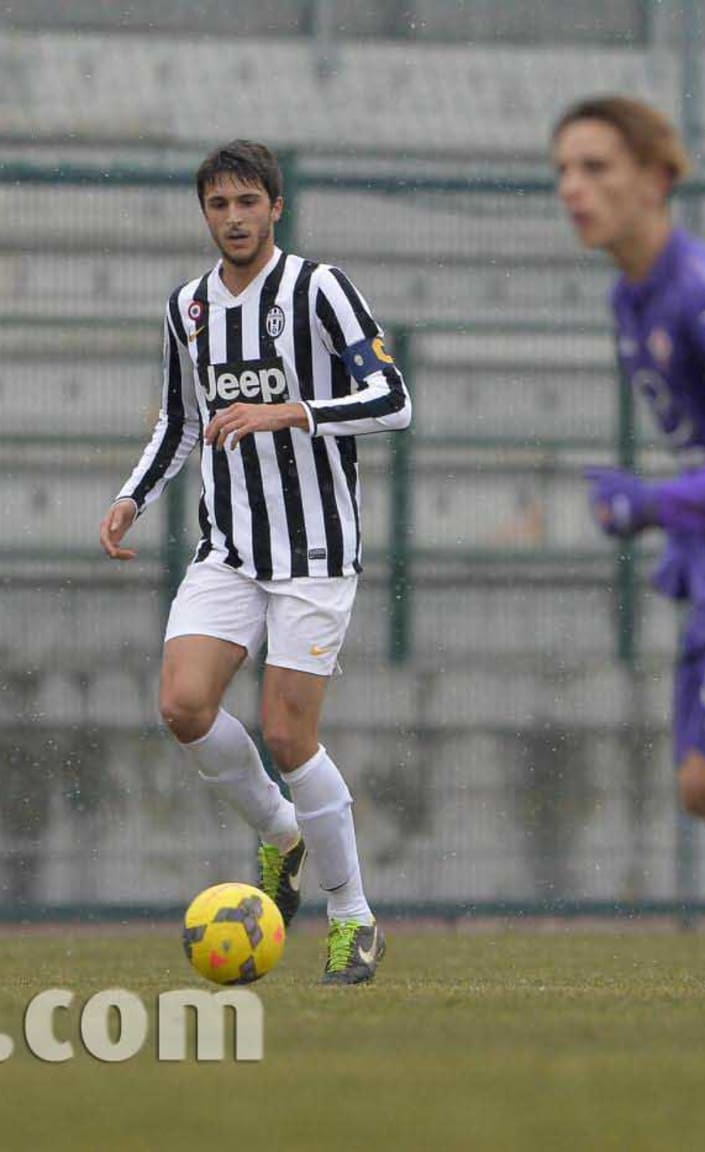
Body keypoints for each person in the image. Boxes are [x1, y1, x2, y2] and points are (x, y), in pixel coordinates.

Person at [99, 139, 411, 981]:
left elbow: (394, 401)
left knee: (285, 730)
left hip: (312, 549)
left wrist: (291, 412)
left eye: (247, 202)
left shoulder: (320, 288)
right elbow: (180, 421)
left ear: (276, 206)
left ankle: (354, 919)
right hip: (229, 547)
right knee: (183, 704)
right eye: (217, 204)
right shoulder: (189, 307)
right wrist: (135, 495)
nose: (233, 218)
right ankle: (283, 835)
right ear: (205, 213)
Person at [553, 95, 705, 927]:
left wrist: (660, 507)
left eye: (596, 167)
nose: (573, 187)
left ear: (657, 178)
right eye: (563, 170)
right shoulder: (631, 300)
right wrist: (688, 537)